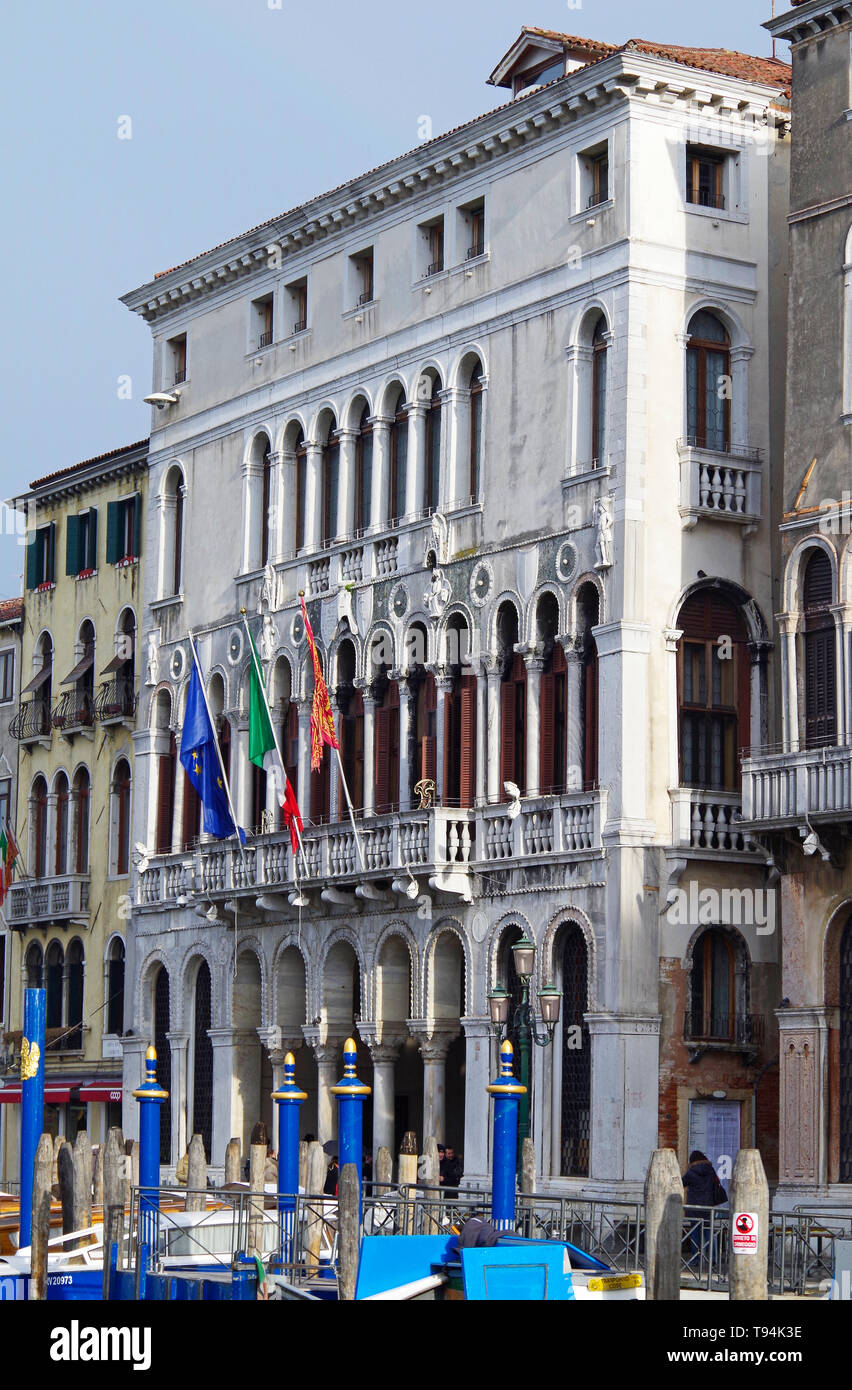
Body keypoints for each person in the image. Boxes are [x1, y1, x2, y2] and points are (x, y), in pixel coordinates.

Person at [682, 1151, 726, 1268]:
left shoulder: (691, 1172)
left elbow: (681, 1183)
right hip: (708, 1207)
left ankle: (696, 1259)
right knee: (709, 1233)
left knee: (695, 1234)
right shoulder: (710, 1171)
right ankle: (712, 1259)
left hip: (693, 1208)